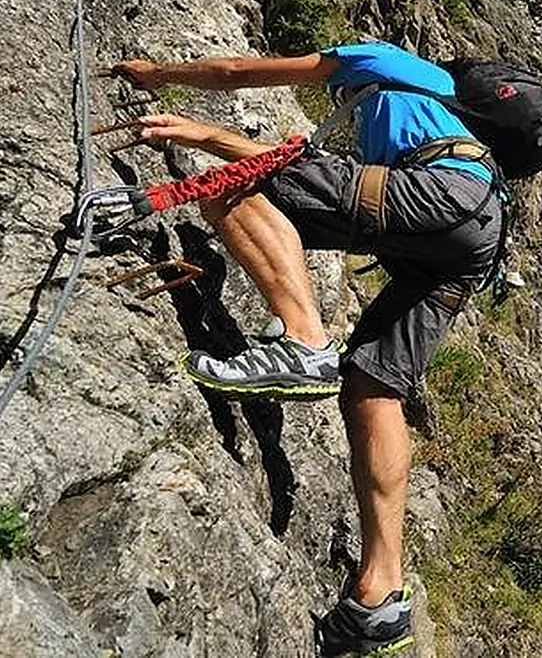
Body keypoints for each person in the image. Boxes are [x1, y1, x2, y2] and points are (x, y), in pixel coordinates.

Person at [113, 41, 504, 658]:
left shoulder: (381, 61)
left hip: (439, 192)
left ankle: (304, 340)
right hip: (477, 234)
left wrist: (160, 77)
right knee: (374, 390)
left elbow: (238, 73)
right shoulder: (442, 118)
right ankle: (381, 594)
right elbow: (329, 183)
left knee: (229, 188)